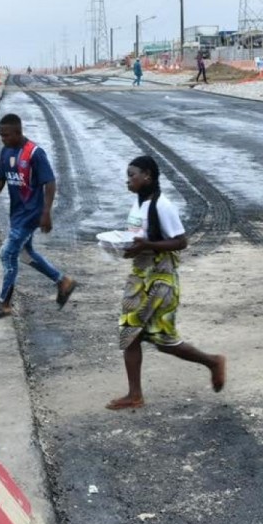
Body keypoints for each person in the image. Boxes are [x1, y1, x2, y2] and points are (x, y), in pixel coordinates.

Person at [107, 155, 226, 410]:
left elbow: (181, 242)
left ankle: (213, 362)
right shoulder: (138, 205)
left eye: (132, 175)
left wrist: (147, 245)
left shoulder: (162, 205)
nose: (128, 180)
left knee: (164, 341)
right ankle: (134, 395)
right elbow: (138, 239)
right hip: (139, 278)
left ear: (147, 176)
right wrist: (124, 248)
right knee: (130, 334)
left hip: (161, 280)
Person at [0, 113, 76, 321]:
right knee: (25, 254)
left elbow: (50, 183)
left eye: (6, 135)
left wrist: (46, 212)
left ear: (18, 132)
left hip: (31, 214)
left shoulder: (35, 154)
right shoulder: (6, 152)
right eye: (0, 135)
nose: (2, 139)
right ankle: (63, 281)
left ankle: (4, 303)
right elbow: (0, 180)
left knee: (7, 254)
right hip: (17, 213)